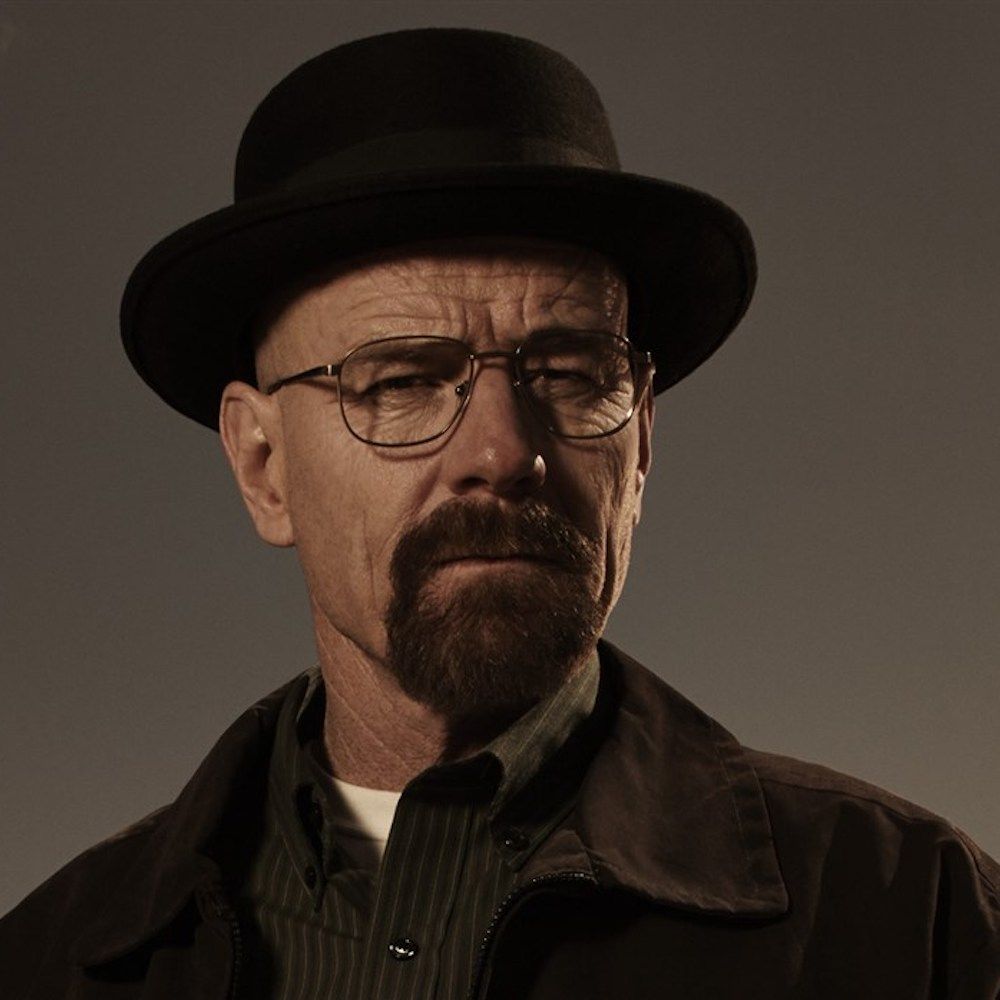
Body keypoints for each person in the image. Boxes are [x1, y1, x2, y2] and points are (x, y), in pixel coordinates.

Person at [1, 27, 997, 1000]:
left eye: (569, 372)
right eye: (400, 381)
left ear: (642, 442)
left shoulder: (914, 923)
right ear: (264, 466)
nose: (505, 453)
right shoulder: (48, 965)